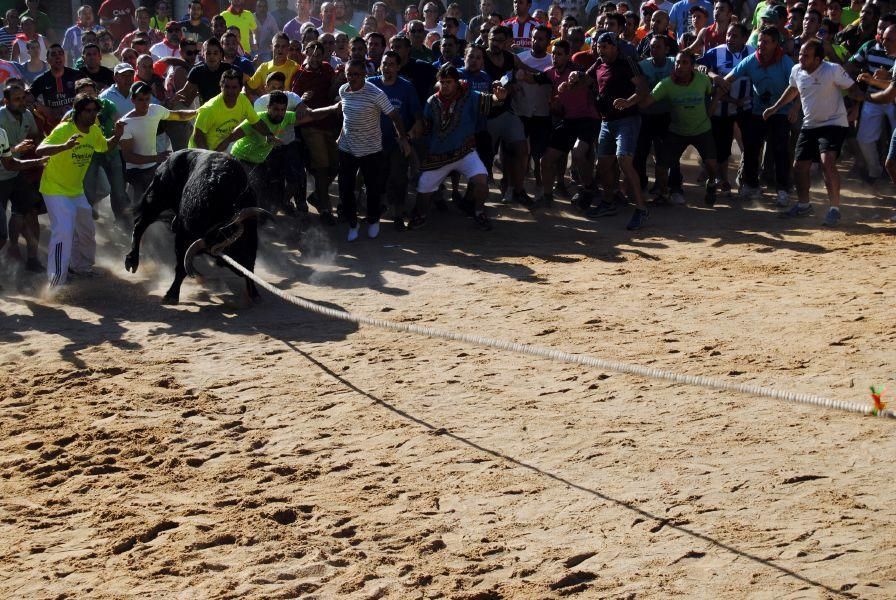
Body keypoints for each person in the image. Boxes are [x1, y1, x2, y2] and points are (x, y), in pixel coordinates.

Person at [764, 39, 864, 225]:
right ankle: (803, 205)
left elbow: (853, 90)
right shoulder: (796, 70)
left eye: (806, 56)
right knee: (799, 166)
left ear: (818, 59)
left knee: (827, 162)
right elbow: (793, 89)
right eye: (800, 54)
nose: (801, 58)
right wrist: (775, 107)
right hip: (810, 125)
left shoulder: (832, 69)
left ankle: (834, 209)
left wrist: (860, 104)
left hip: (834, 123)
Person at [308, 59, 410, 240]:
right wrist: (341, 135)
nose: (352, 77)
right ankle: (353, 223)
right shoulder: (343, 91)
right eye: (349, 74)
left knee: (373, 188)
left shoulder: (375, 93)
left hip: (371, 150)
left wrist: (403, 138)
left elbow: (394, 116)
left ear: (364, 75)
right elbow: (347, 117)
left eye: (356, 74)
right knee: (345, 189)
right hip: (347, 148)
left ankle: (373, 220)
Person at [36, 93, 124, 286]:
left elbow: (104, 147)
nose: (93, 115)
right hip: (55, 189)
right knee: (64, 231)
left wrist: (116, 135)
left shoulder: (94, 130)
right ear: (77, 111)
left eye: (95, 111)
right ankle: (55, 283)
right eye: (88, 111)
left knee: (86, 230)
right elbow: (40, 150)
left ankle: (81, 267)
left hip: (75, 190)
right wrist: (65, 146)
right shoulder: (64, 129)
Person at [409, 64, 507, 231]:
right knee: (423, 188)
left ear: (456, 82)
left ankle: (479, 212)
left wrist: (499, 98)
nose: (445, 86)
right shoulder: (432, 102)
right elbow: (425, 126)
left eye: (449, 82)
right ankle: (422, 215)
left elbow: (491, 100)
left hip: (465, 151)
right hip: (438, 156)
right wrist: (415, 131)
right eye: (442, 82)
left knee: (481, 179)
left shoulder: (469, 96)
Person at [633, 50, 721, 205]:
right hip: (677, 132)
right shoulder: (666, 84)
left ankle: (712, 183)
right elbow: (645, 103)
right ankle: (664, 194)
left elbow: (713, 93)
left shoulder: (703, 80)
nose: (679, 66)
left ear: (693, 66)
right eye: (677, 63)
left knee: (712, 165)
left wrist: (717, 98)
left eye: (685, 63)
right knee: (660, 169)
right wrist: (637, 90)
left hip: (702, 130)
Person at [721, 25, 795, 204]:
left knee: (779, 150)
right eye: (760, 40)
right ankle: (751, 186)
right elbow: (728, 79)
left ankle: (783, 190)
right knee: (751, 147)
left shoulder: (785, 62)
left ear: (776, 44)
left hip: (781, 111)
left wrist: (795, 108)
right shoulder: (751, 61)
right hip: (758, 111)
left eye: (767, 42)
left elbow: (800, 86)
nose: (761, 44)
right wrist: (714, 81)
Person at [119, 81, 196, 211]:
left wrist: (198, 111)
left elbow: (178, 115)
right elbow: (128, 156)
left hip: (152, 167)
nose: (144, 103)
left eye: (147, 99)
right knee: (140, 206)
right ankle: (130, 227)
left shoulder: (155, 110)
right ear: (132, 100)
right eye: (140, 99)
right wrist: (155, 158)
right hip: (135, 172)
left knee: (158, 200)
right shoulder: (125, 123)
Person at [369, 49, 423, 230]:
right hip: (373, 141)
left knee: (399, 177)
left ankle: (398, 213)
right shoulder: (370, 85)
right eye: (384, 64)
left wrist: (407, 138)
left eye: (392, 64)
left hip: (398, 141)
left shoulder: (406, 87)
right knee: (375, 178)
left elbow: (418, 120)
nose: (387, 68)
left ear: (399, 67)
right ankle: (374, 212)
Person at [699, 22, 752, 195]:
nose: (729, 38)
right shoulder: (717, 51)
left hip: (747, 108)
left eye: (735, 36)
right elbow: (697, 66)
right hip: (721, 109)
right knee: (722, 148)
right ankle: (722, 179)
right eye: (728, 34)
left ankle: (745, 180)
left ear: (745, 38)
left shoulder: (753, 52)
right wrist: (714, 76)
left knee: (750, 145)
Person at [291, 40, 340, 224]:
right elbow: (293, 99)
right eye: (312, 54)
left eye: (319, 54)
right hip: (311, 125)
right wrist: (301, 100)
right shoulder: (300, 74)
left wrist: (339, 78)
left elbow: (333, 87)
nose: (316, 58)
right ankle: (326, 210)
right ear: (306, 54)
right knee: (322, 167)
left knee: (336, 165)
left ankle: (317, 195)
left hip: (330, 123)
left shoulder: (327, 69)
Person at [0, 84, 46, 274]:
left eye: (23, 97)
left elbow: (36, 136)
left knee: (30, 212)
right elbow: (9, 162)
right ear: (6, 101)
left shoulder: (27, 115)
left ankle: (32, 258)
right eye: (17, 99)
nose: (22, 102)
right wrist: (39, 160)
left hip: (16, 173)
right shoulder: (0, 118)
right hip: (3, 174)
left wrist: (43, 148)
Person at [513, 25, 553, 191]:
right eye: (534, 38)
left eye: (541, 39)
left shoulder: (553, 60)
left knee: (539, 154)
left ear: (548, 41)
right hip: (521, 112)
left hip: (543, 114)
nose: (536, 42)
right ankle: (516, 186)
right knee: (520, 153)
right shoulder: (520, 58)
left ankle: (540, 187)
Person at [191, 68, 260, 150]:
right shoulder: (210, 108)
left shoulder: (243, 100)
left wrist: (270, 136)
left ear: (241, 89)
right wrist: (208, 157)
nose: (230, 91)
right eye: (227, 87)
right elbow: (198, 136)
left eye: (234, 87)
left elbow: (256, 122)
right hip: (200, 153)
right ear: (221, 87)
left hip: (222, 150)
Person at [30, 45, 81, 129]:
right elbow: (28, 98)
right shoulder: (41, 80)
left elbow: (89, 93)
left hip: (76, 121)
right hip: (53, 125)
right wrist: (44, 109)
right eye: (53, 54)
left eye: (60, 53)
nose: (58, 57)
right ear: (47, 60)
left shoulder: (77, 75)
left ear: (64, 57)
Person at [178, 37, 232, 106]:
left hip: (227, 109)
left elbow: (247, 80)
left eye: (215, 53)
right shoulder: (197, 71)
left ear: (221, 55)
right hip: (207, 111)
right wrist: (172, 101)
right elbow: (184, 91)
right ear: (203, 54)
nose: (212, 56)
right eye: (208, 53)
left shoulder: (229, 69)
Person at [247, 32, 299, 98]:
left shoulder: (295, 67)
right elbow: (250, 87)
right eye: (277, 46)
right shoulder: (263, 67)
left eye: (283, 46)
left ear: (288, 48)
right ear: (271, 47)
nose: (280, 49)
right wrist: (260, 94)